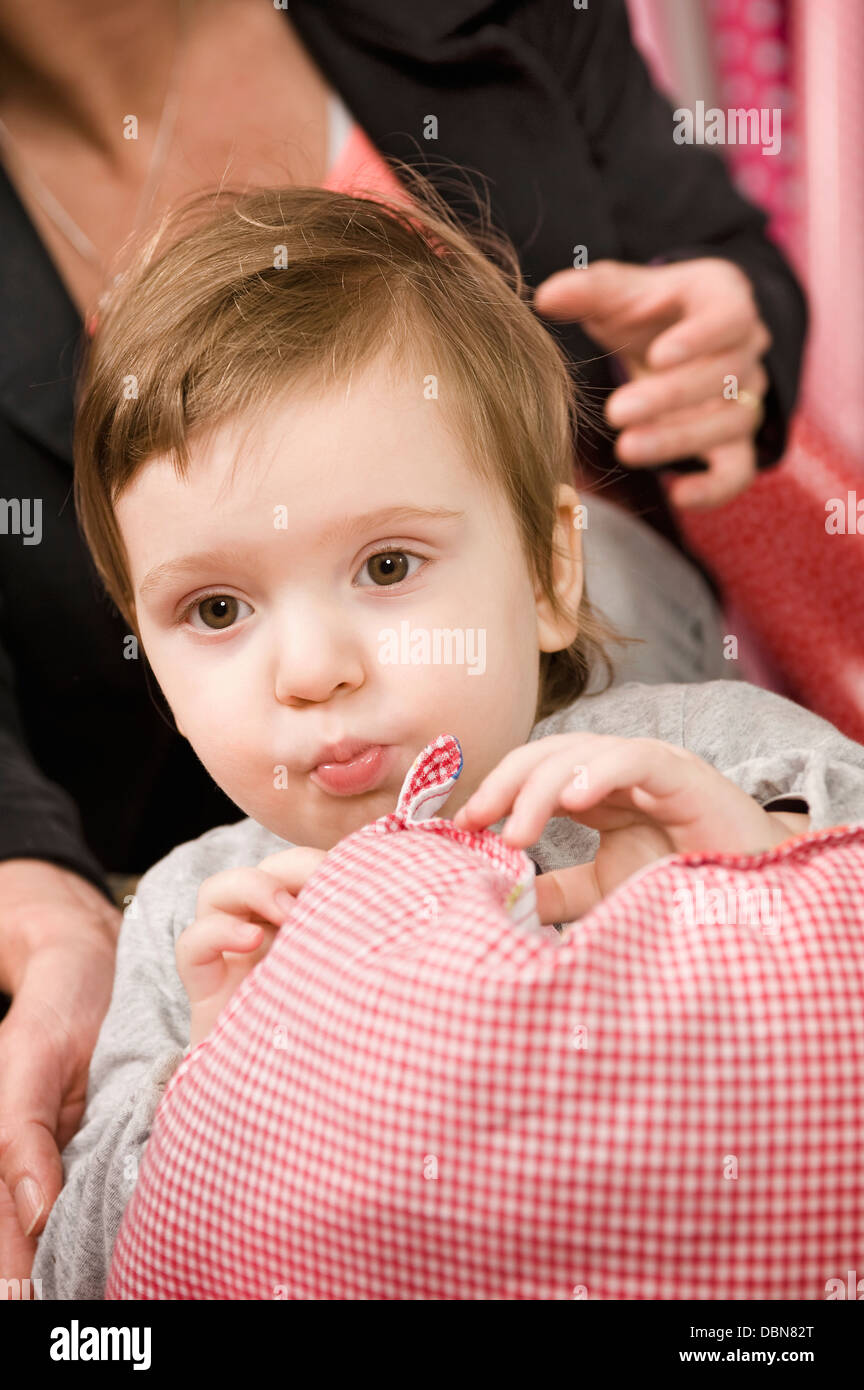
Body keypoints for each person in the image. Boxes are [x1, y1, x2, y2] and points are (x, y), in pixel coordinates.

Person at [0, 0, 806, 1274]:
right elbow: (84, 1284)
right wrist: (218, 1072)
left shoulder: (720, 752)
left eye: (387, 565)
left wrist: (750, 870)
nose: (312, 669)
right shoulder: (181, 922)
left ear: (548, 567)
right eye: (214, 610)